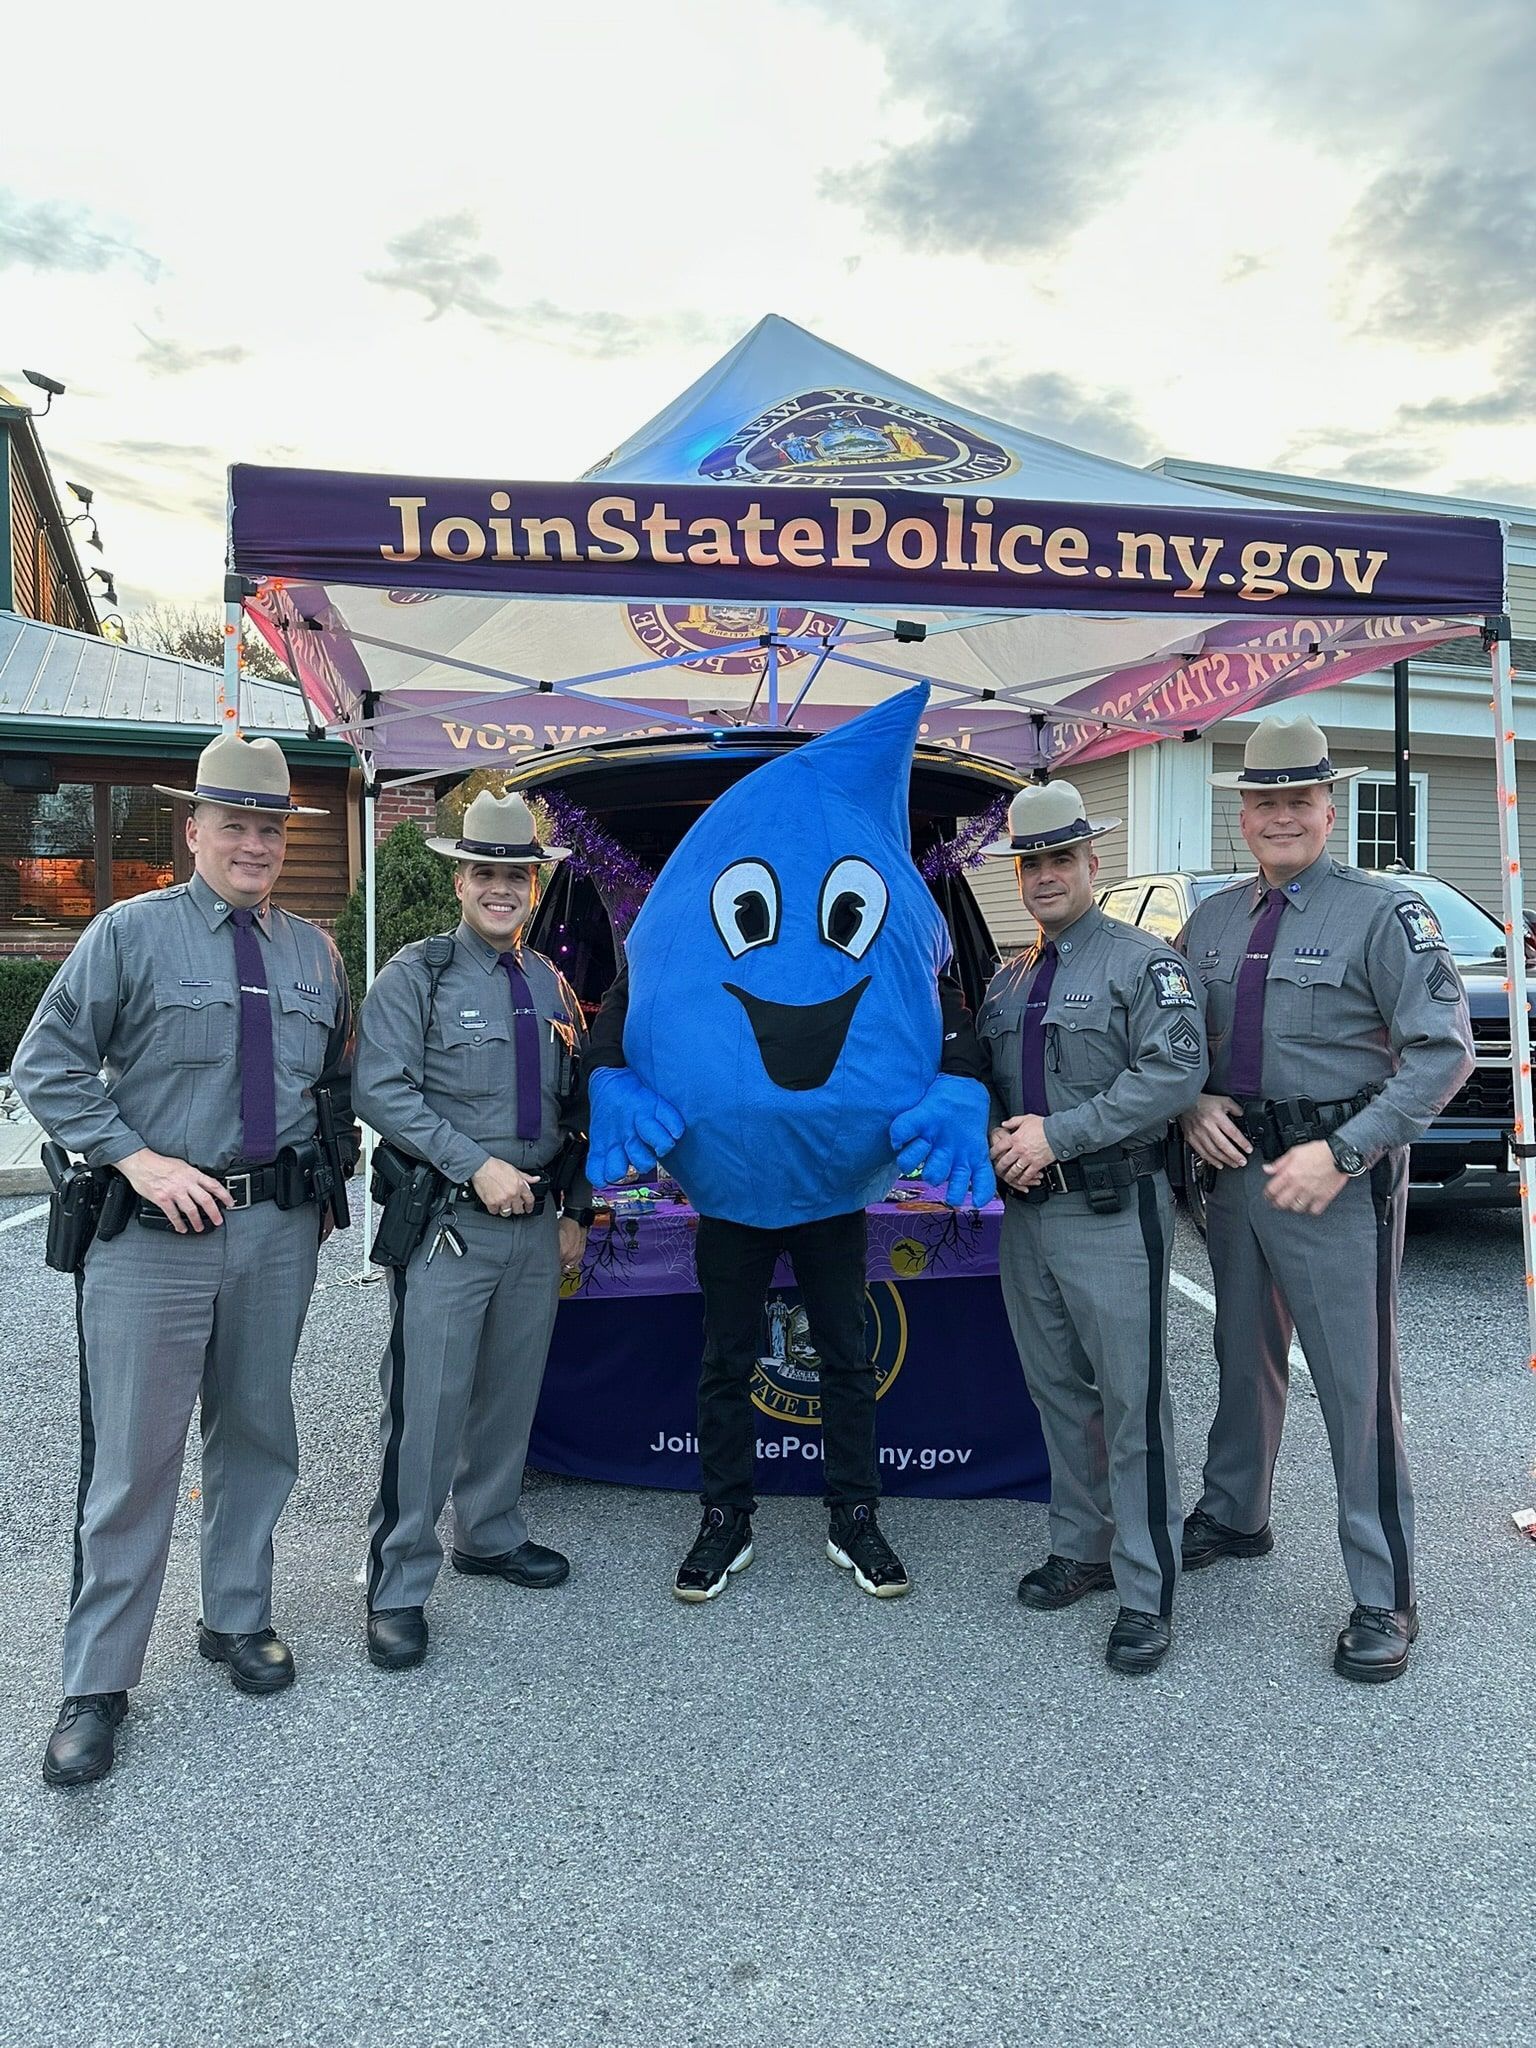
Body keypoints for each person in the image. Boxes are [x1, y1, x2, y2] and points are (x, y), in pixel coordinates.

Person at [584, 688, 995, 1604]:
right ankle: (725, 1518)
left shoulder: (896, 927)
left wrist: (961, 1083)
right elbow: (626, 1010)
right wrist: (610, 1080)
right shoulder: (681, 933)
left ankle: (856, 1515)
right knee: (726, 1358)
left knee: (845, 1357)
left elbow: (946, 1010)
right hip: (727, 1195)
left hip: (832, 1192)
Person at [13, 733, 353, 1786]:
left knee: (258, 1430)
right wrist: (139, 1156)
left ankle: (236, 1616)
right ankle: (97, 1678)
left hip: (273, 1229)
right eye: (235, 822)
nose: (254, 842)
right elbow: (45, 1064)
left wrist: (324, 1190)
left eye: (270, 826)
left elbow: (326, 1085)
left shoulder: (314, 952)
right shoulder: (131, 933)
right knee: (135, 1458)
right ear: (193, 828)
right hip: (154, 1236)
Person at [1178, 715, 1475, 1683]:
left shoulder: (1384, 915)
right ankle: (1236, 1509)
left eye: (1298, 799)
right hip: (1236, 1175)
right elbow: (1174, 1040)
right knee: (1241, 1353)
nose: (1279, 817)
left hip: (1336, 1183)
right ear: (1244, 815)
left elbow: (1444, 1053)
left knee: (1358, 1387)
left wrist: (1343, 1151)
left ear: (1330, 806)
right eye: (1263, 801)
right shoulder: (1214, 920)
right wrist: (1192, 1102)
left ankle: (1386, 1594)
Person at [353, 791, 593, 1672]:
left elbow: (573, 1109)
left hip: (533, 1224)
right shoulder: (415, 975)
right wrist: (473, 1165)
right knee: (428, 1408)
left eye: (516, 875)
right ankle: (397, 1584)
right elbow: (379, 1090)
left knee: (507, 1394)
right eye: (485, 873)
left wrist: (576, 1209)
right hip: (449, 1225)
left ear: (533, 885)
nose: (502, 889)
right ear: (460, 880)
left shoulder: (548, 981)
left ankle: (488, 1534)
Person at [980, 783, 1207, 1674]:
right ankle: (1081, 1548)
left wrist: (1057, 1136)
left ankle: (1147, 1589)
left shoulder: (1142, 963)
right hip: (1029, 1218)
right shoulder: (1009, 980)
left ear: (1091, 864)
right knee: (1058, 1394)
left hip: (1114, 1209)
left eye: (1059, 860)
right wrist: (993, 1137)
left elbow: (1173, 1076)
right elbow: (991, 1087)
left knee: (1133, 1402)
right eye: (1030, 863)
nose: (1044, 876)